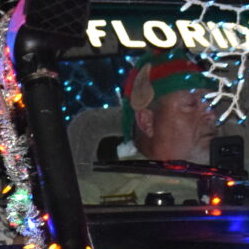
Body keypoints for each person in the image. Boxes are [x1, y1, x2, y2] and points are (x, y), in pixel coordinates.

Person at [83, 52, 219, 205]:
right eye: (190, 105)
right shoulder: (94, 198)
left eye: (211, 104)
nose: (212, 116)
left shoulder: (244, 179)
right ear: (147, 122)